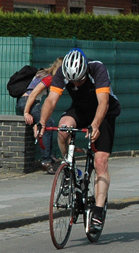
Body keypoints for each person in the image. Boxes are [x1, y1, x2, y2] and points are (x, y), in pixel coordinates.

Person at [35, 48, 121, 232]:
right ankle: (69, 168)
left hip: (103, 112)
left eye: (80, 80)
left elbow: (103, 102)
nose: (76, 84)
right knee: (63, 129)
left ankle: (98, 210)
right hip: (80, 108)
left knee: (100, 161)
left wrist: (95, 125)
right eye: (73, 81)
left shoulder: (97, 69)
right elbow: (50, 100)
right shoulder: (62, 72)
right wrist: (41, 122)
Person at [16, 57, 63, 174]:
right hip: (27, 101)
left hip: (26, 101)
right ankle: (46, 161)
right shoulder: (49, 78)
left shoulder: (43, 73)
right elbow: (33, 94)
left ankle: (49, 156)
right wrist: (26, 112)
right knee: (47, 124)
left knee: (48, 122)